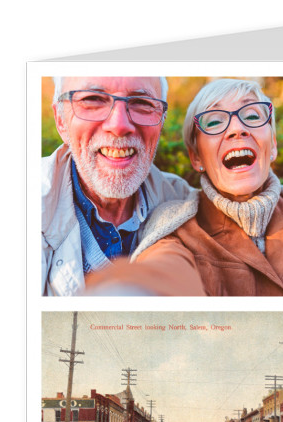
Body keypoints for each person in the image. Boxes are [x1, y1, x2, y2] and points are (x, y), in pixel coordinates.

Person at [86, 78, 283, 296]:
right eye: (214, 121)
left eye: (252, 116)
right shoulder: (174, 229)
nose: (237, 129)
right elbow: (163, 271)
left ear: (272, 144)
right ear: (196, 157)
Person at [42, 76, 197, 296]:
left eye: (142, 103)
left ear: (161, 121)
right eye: (93, 99)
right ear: (60, 120)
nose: (119, 126)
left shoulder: (185, 204)